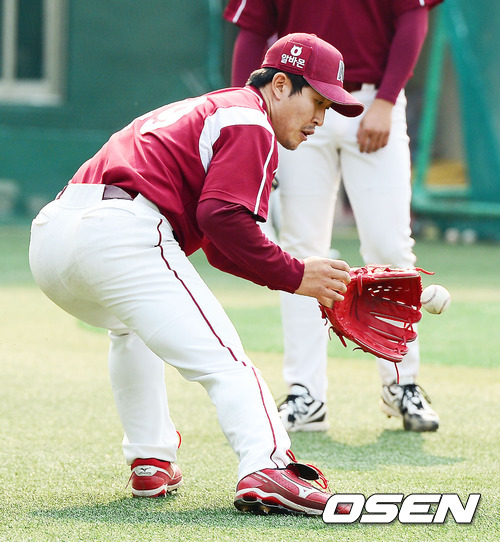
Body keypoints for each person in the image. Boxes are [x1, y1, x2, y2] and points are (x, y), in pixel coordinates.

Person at [29, 33, 365, 516]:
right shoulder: (252, 121)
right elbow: (222, 219)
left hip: (52, 240)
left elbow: (220, 246)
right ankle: (268, 464)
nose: (320, 119)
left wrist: (292, 275)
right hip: (122, 233)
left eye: (328, 108)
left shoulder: (214, 109)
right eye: (316, 101)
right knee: (226, 362)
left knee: (130, 327)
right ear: (278, 86)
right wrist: (296, 275)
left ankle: (151, 457)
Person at [224, 0, 443, 433]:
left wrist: (386, 99)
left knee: (390, 246)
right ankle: (305, 392)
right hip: (297, 99)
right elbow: (252, 28)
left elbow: (413, 16)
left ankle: (401, 384)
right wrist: (248, 114)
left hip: (373, 97)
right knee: (300, 252)